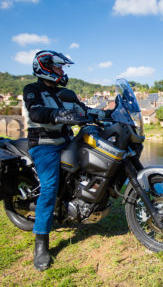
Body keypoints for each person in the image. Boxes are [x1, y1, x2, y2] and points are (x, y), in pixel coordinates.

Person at [23, 50, 106, 271]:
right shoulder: (32, 90)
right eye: (59, 67)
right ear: (45, 67)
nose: (61, 71)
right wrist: (57, 115)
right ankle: (41, 242)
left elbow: (84, 110)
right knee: (49, 187)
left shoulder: (66, 93)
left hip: (67, 140)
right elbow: (36, 112)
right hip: (44, 144)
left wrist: (108, 113)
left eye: (62, 68)